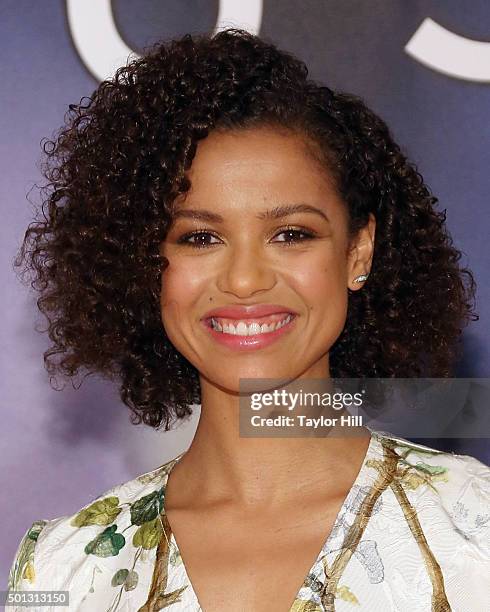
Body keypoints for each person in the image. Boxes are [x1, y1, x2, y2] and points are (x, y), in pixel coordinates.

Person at [7, 28, 489, 612]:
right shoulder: (67, 567)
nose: (242, 280)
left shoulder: (474, 530)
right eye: (200, 237)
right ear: (144, 262)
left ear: (357, 253)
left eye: (291, 234)